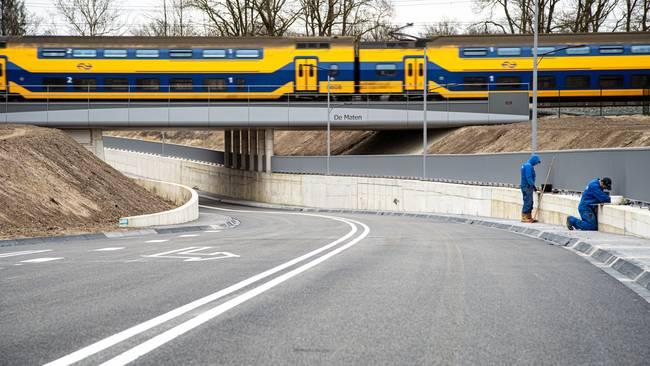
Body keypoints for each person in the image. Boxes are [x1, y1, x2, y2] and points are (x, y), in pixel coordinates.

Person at [520, 154, 541, 223]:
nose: (536, 164)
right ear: (534, 160)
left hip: (527, 186)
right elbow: (528, 177)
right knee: (527, 201)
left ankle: (528, 216)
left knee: (530, 201)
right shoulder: (528, 166)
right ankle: (524, 217)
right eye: (536, 162)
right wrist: (533, 186)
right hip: (527, 186)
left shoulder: (527, 165)